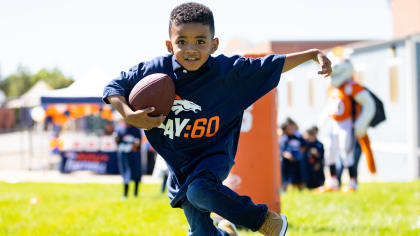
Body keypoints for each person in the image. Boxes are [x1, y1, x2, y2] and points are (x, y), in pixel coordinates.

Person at [103, 2, 332, 235]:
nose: (191, 48)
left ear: (214, 45)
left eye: (200, 41)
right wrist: (128, 114)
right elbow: (114, 86)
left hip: (215, 155)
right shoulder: (155, 71)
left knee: (199, 191)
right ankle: (227, 232)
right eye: (182, 41)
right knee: (202, 232)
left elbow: (273, 65)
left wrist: (313, 54)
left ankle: (264, 220)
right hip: (179, 164)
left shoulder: (229, 73)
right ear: (169, 45)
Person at [318, 57, 375, 193]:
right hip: (334, 123)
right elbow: (329, 106)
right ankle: (332, 182)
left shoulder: (352, 87)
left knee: (346, 152)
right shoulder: (333, 88)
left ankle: (352, 182)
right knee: (330, 152)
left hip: (347, 123)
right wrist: (321, 121)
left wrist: (362, 123)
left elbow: (369, 104)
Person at [115, 121, 142, 199]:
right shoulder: (119, 129)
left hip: (134, 155)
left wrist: (134, 146)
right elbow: (117, 142)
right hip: (124, 155)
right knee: (125, 173)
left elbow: (138, 143)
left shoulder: (136, 129)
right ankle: (125, 194)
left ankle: (136, 194)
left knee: (136, 173)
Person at [279, 119, 306, 191]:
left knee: (300, 177)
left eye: (292, 127)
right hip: (287, 162)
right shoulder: (284, 138)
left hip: (297, 160)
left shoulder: (298, 136)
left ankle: (301, 189)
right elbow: (281, 150)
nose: (291, 129)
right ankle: (285, 189)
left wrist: (300, 152)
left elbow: (304, 145)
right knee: (287, 178)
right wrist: (286, 155)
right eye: (289, 128)